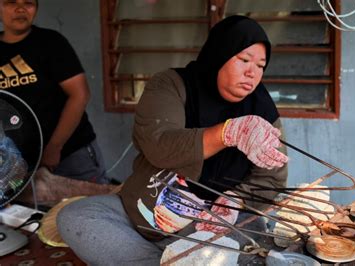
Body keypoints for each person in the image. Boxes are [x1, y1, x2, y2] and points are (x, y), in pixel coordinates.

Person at [57, 15, 289, 265]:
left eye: (260, 65)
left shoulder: (262, 110)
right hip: (143, 207)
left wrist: (236, 199)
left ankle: (169, 258)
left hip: (209, 221)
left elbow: (271, 177)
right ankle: (164, 260)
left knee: (245, 245)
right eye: (244, 60)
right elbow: (158, 145)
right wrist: (227, 133)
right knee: (75, 217)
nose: (251, 73)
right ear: (219, 55)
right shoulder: (172, 85)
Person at [0, 0, 109, 183]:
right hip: (22, 159)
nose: (20, 8)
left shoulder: (50, 43)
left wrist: (54, 148)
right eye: (11, 2)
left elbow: (80, 95)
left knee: (89, 206)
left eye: (28, 3)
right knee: (35, 210)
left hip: (70, 153)